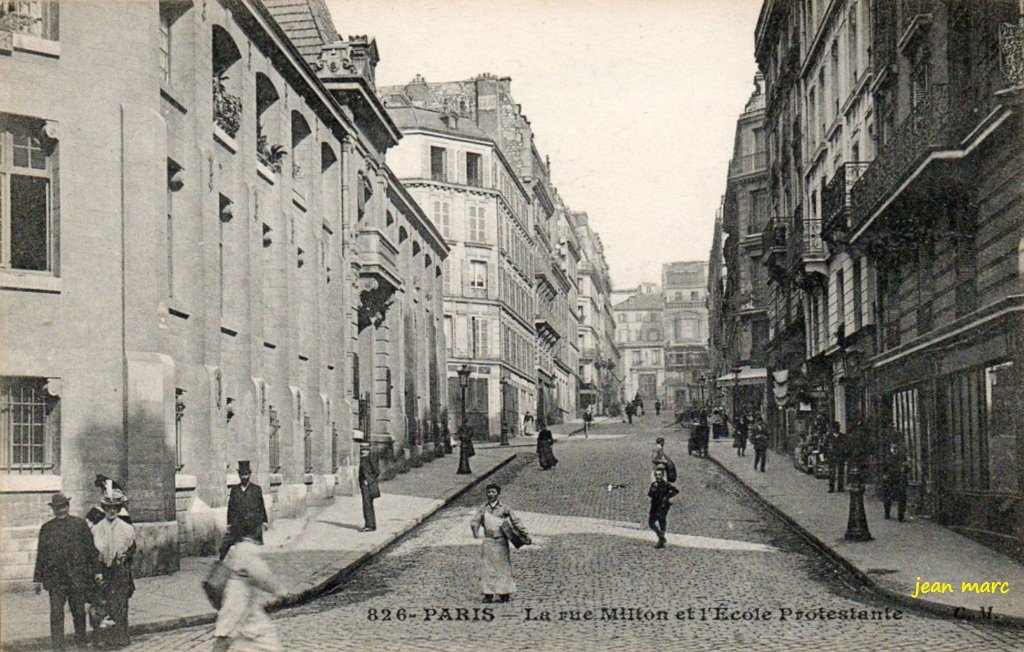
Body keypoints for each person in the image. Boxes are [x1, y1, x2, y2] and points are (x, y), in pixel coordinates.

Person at [34, 492, 97, 651]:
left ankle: (81, 643)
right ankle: (58, 647)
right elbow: (41, 554)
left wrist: (97, 571)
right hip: (55, 581)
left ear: (68, 507)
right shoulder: (47, 529)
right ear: (53, 509)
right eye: (57, 508)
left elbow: (90, 550)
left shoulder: (79, 525)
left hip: (76, 578)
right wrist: (37, 579)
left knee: (78, 613)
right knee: (56, 614)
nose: (60, 511)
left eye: (63, 507)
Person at [212, 534, 286, 652]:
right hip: (251, 635)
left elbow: (262, 576)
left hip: (255, 630)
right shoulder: (237, 588)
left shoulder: (239, 555)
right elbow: (224, 632)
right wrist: (280, 592)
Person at [91, 488, 136, 649]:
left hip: (120, 572)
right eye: (108, 508)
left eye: (115, 508)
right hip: (103, 572)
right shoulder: (96, 529)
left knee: (120, 605)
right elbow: (93, 552)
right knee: (102, 605)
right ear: (104, 509)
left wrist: (125, 558)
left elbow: (132, 549)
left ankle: (120, 638)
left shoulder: (127, 528)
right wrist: (97, 571)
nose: (111, 511)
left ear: (119, 509)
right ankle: (102, 639)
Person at [470, 484, 526, 603]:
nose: (491, 494)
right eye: (489, 492)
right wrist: (475, 529)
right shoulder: (483, 508)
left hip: (501, 540)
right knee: (487, 567)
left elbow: (516, 521)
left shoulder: (504, 508)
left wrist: (524, 534)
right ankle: (488, 593)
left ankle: (504, 593)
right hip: (488, 540)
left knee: (503, 567)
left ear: (498, 494)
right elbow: (475, 520)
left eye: (493, 492)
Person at [226, 461, 269, 551]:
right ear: (239, 475)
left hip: (253, 526)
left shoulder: (256, 489)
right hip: (239, 526)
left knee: (254, 549)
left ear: (249, 475)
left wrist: (265, 521)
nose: (244, 477)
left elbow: (261, 506)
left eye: (246, 474)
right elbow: (231, 508)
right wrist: (229, 523)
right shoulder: (235, 490)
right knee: (239, 549)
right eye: (242, 475)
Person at [647, 467, 679, 548]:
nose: (658, 477)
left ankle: (661, 542)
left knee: (662, 521)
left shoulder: (666, 485)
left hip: (663, 506)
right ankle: (661, 536)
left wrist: (667, 497)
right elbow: (650, 494)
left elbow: (676, 491)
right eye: (656, 475)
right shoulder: (653, 484)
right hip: (654, 505)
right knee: (651, 523)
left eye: (660, 475)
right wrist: (653, 489)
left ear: (662, 475)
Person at [881, 440, 909, 521]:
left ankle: (901, 515)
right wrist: (884, 475)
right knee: (888, 497)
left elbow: (906, 468)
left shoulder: (902, 456)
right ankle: (887, 513)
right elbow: (883, 469)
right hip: (890, 479)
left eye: (896, 447)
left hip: (900, 479)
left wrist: (906, 468)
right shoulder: (887, 457)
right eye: (893, 447)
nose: (895, 449)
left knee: (902, 496)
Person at [357, 442, 380, 531]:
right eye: (362, 450)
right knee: (366, 504)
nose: (363, 452)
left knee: (368, 504)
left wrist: (369, 480)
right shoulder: (363, 459)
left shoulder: (370, 458)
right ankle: (369, 524)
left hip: (368, 484)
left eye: (364, 450)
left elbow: (376, 471)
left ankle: (370, 525)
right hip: (364, 483)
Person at [825, 421, 849, 493]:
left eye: (838, 427)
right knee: (832, 472)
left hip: (840, 456)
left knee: (841, 472)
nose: (836, 429)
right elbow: (825, 447)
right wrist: (826, 455)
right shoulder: (829, 437)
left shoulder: (843, 436)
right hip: (832, 456)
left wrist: (845, 454)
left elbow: (846, 446)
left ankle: (840, 487)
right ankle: (831, 487)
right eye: (835, 427)